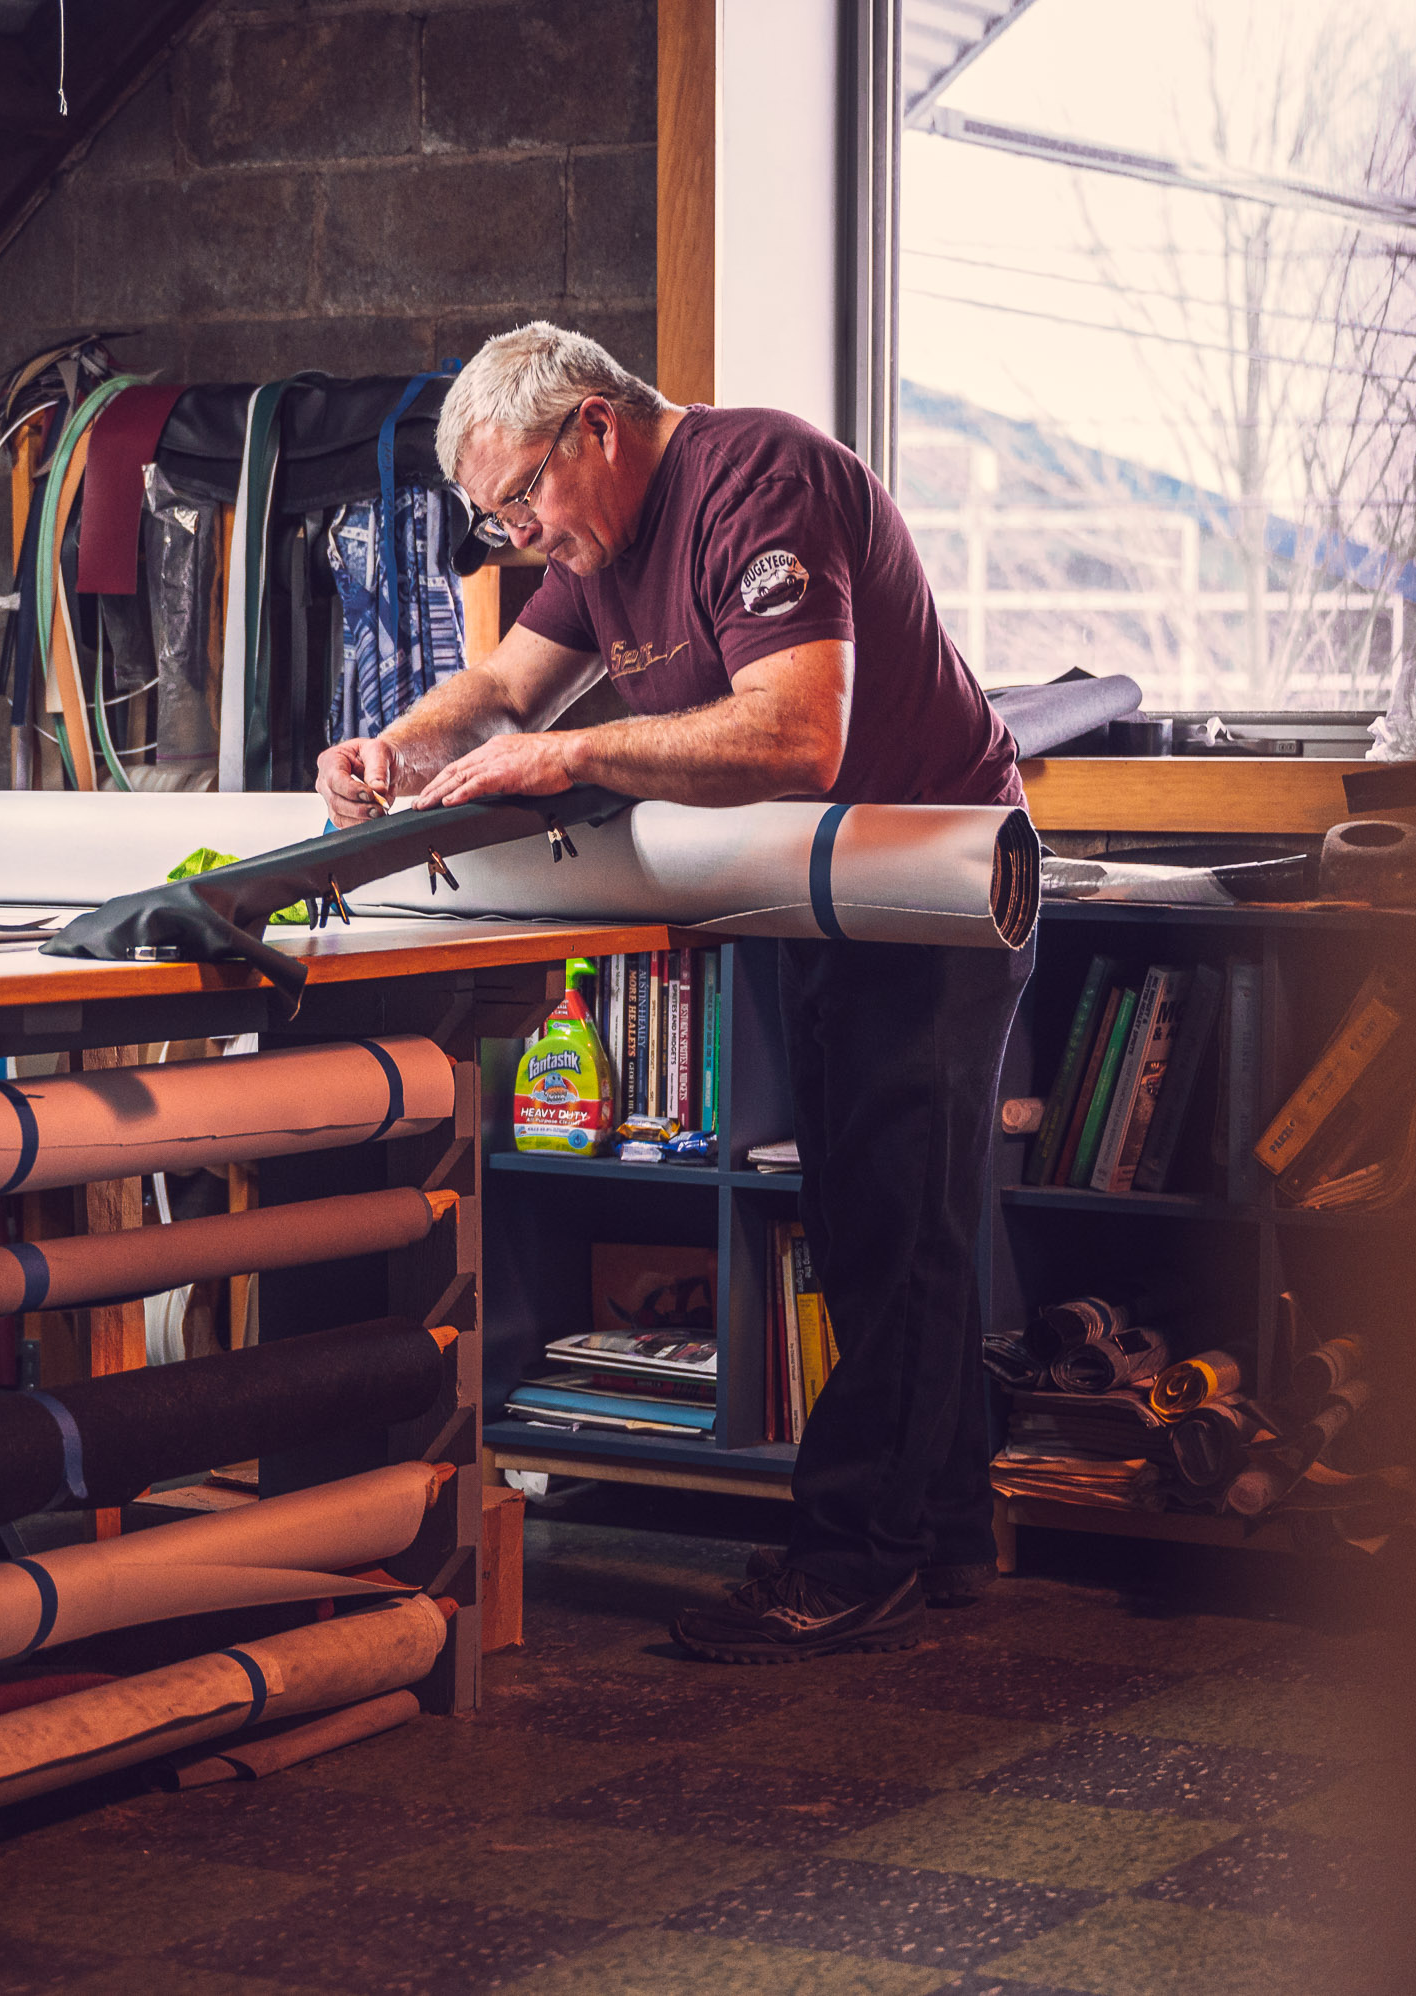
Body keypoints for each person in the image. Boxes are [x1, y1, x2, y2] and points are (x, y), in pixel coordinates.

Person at [314, 323, 1033, 1664]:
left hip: (929, 873)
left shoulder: (758, 477)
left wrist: (569, 754)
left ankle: (850, 1561)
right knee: (872, 1210)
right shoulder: (597, 542)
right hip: (826, 888)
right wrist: (392, 749)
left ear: (595, 426)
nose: (522, 534)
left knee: (899, 1217)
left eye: (522, 497)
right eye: (492, 518)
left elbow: (798, 734)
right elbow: (501, 687)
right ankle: (942, 1540)